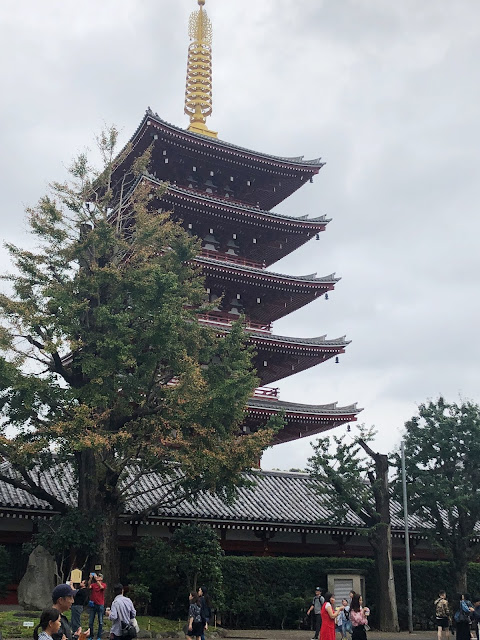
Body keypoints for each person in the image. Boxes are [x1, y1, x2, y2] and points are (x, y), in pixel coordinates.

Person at [88, 573, 107, 640]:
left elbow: (102, 587)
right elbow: (89, 586)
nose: (98, 577)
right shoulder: (93, 585)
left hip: (100, 605)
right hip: (93, 604)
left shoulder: (104, 584)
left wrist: (97, 581)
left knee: (100, 622)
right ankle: (91, 635)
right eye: (97, 576)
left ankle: (99, 636)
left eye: (99, 577)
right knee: (90, 622)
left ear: (102, 578)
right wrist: (90, 578)